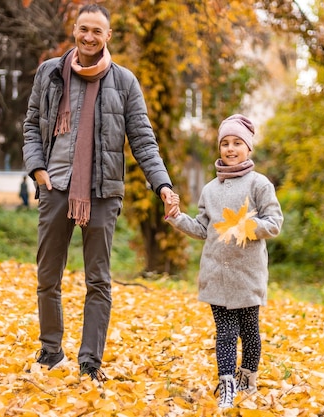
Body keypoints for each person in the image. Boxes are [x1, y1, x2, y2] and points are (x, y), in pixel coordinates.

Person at [22, 4, 177, 383]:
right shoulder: (49, 73)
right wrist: (38, 169)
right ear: (75, 30)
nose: (89, 37)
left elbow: (142, 139)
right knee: (47, 276)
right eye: (83, 29)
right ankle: (51, 351)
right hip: (55, 187)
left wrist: (163, 184)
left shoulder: (124, 82)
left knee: (98, 280)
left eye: (97, 31)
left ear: (108, 37)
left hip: (103, 193)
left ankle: (90, 362)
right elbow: (30, 125)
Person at [165, 114, 283, 408]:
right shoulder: (210, 190)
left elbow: (275, 222)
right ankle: (227, 385)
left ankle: (248, 378)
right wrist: (177, 217)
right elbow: (203, 230)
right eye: (225, 143)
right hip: (216, 274)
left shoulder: (260, 184)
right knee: (226, 334)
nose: (230, 149)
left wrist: (248, 228)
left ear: (248, 148)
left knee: (250, 334)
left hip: (248, 274)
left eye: (237, 143)